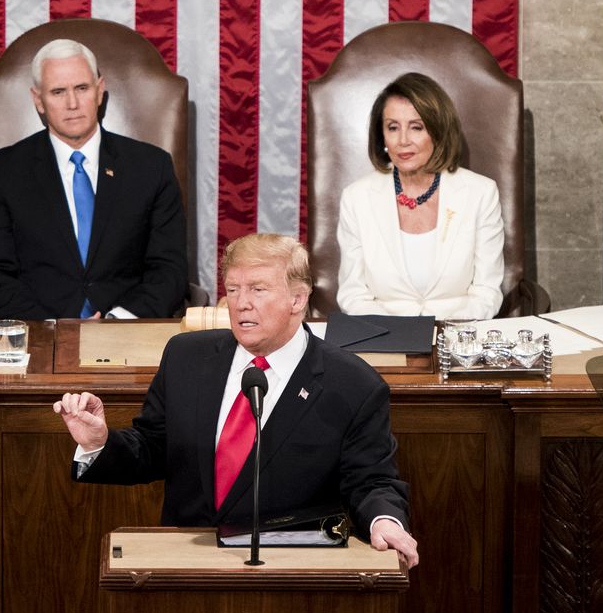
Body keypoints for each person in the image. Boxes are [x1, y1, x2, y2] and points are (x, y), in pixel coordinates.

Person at [53, 233, 420, 567]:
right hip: (187, 563)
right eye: (234, 289)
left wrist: (384, 521)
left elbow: (372, 481)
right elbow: (152, 449)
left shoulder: (352, 383)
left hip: (292, 568)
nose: (242, 304)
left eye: (258, 289)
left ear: (298, 298)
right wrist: (100, 442)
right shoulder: (186, 357)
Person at [0, 38, 187, 320]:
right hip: (37, 336)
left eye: (82, 88)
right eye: (58, 92)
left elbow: (169, 269)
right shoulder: (2, 172)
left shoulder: (151, 167)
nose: (72, 103)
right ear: (39, 101)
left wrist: (118, 319)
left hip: (127, 332)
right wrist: (50, 329)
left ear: (99, 90)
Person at [335, 72, 505, 319]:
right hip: (385, 340)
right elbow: (353, 295)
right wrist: (402, 335)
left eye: (416, 127)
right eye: (393, 127)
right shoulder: (356, 198)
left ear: (438, 132)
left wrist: (437, 332)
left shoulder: (480, 193)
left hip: (458, 338)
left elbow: (487, 293)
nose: (403, 140)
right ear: (382, 136)